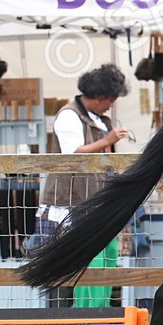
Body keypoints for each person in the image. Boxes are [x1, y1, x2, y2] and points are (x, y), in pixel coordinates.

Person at [36, 63, 131, 307]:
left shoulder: (97, 118)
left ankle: (102, 308)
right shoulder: (69, 116)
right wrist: (108, 140)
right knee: (89, 259)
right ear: (98, 96)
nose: (111, 105)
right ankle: (87, 312)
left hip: (97, 199)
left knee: (108, 254)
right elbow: (74, 153)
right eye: (110, 99)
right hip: (74, 201)